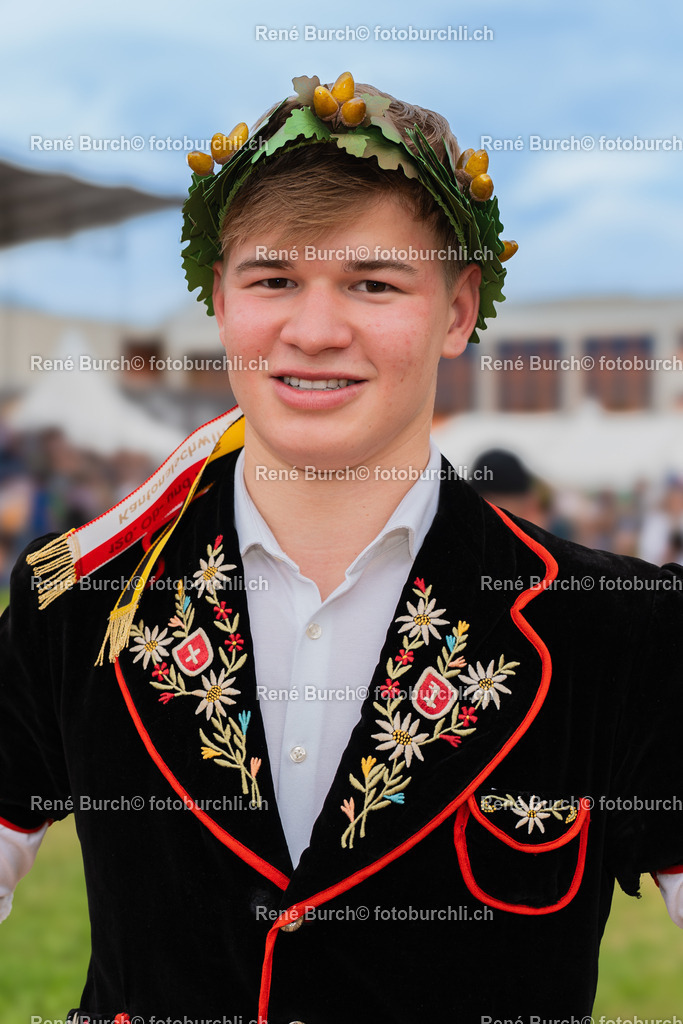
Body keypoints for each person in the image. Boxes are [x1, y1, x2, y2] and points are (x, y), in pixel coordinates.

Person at [1, 72, 682, 1024]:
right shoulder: (79, 598)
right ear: (220, 300)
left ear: (455, 311)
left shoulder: (625, 631)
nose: (314, 331)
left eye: (372, 283)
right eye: (273, 278)